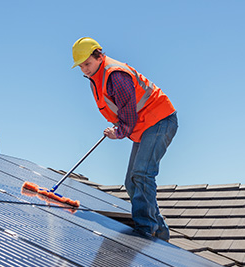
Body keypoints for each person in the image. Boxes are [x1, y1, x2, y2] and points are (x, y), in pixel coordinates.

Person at [71, 37, 178, 241]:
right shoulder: (98, 76)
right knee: (131, 181)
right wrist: (119, 126)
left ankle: (146, 229)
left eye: (88, 63)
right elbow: (123, 110)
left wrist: (118, 132)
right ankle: (160, 230)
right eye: (81, 66)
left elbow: (129, 115)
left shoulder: (115, 75)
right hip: (146, 125)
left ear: (99, 56)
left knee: (142, 174)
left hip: (160, 120)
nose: (85, 69)